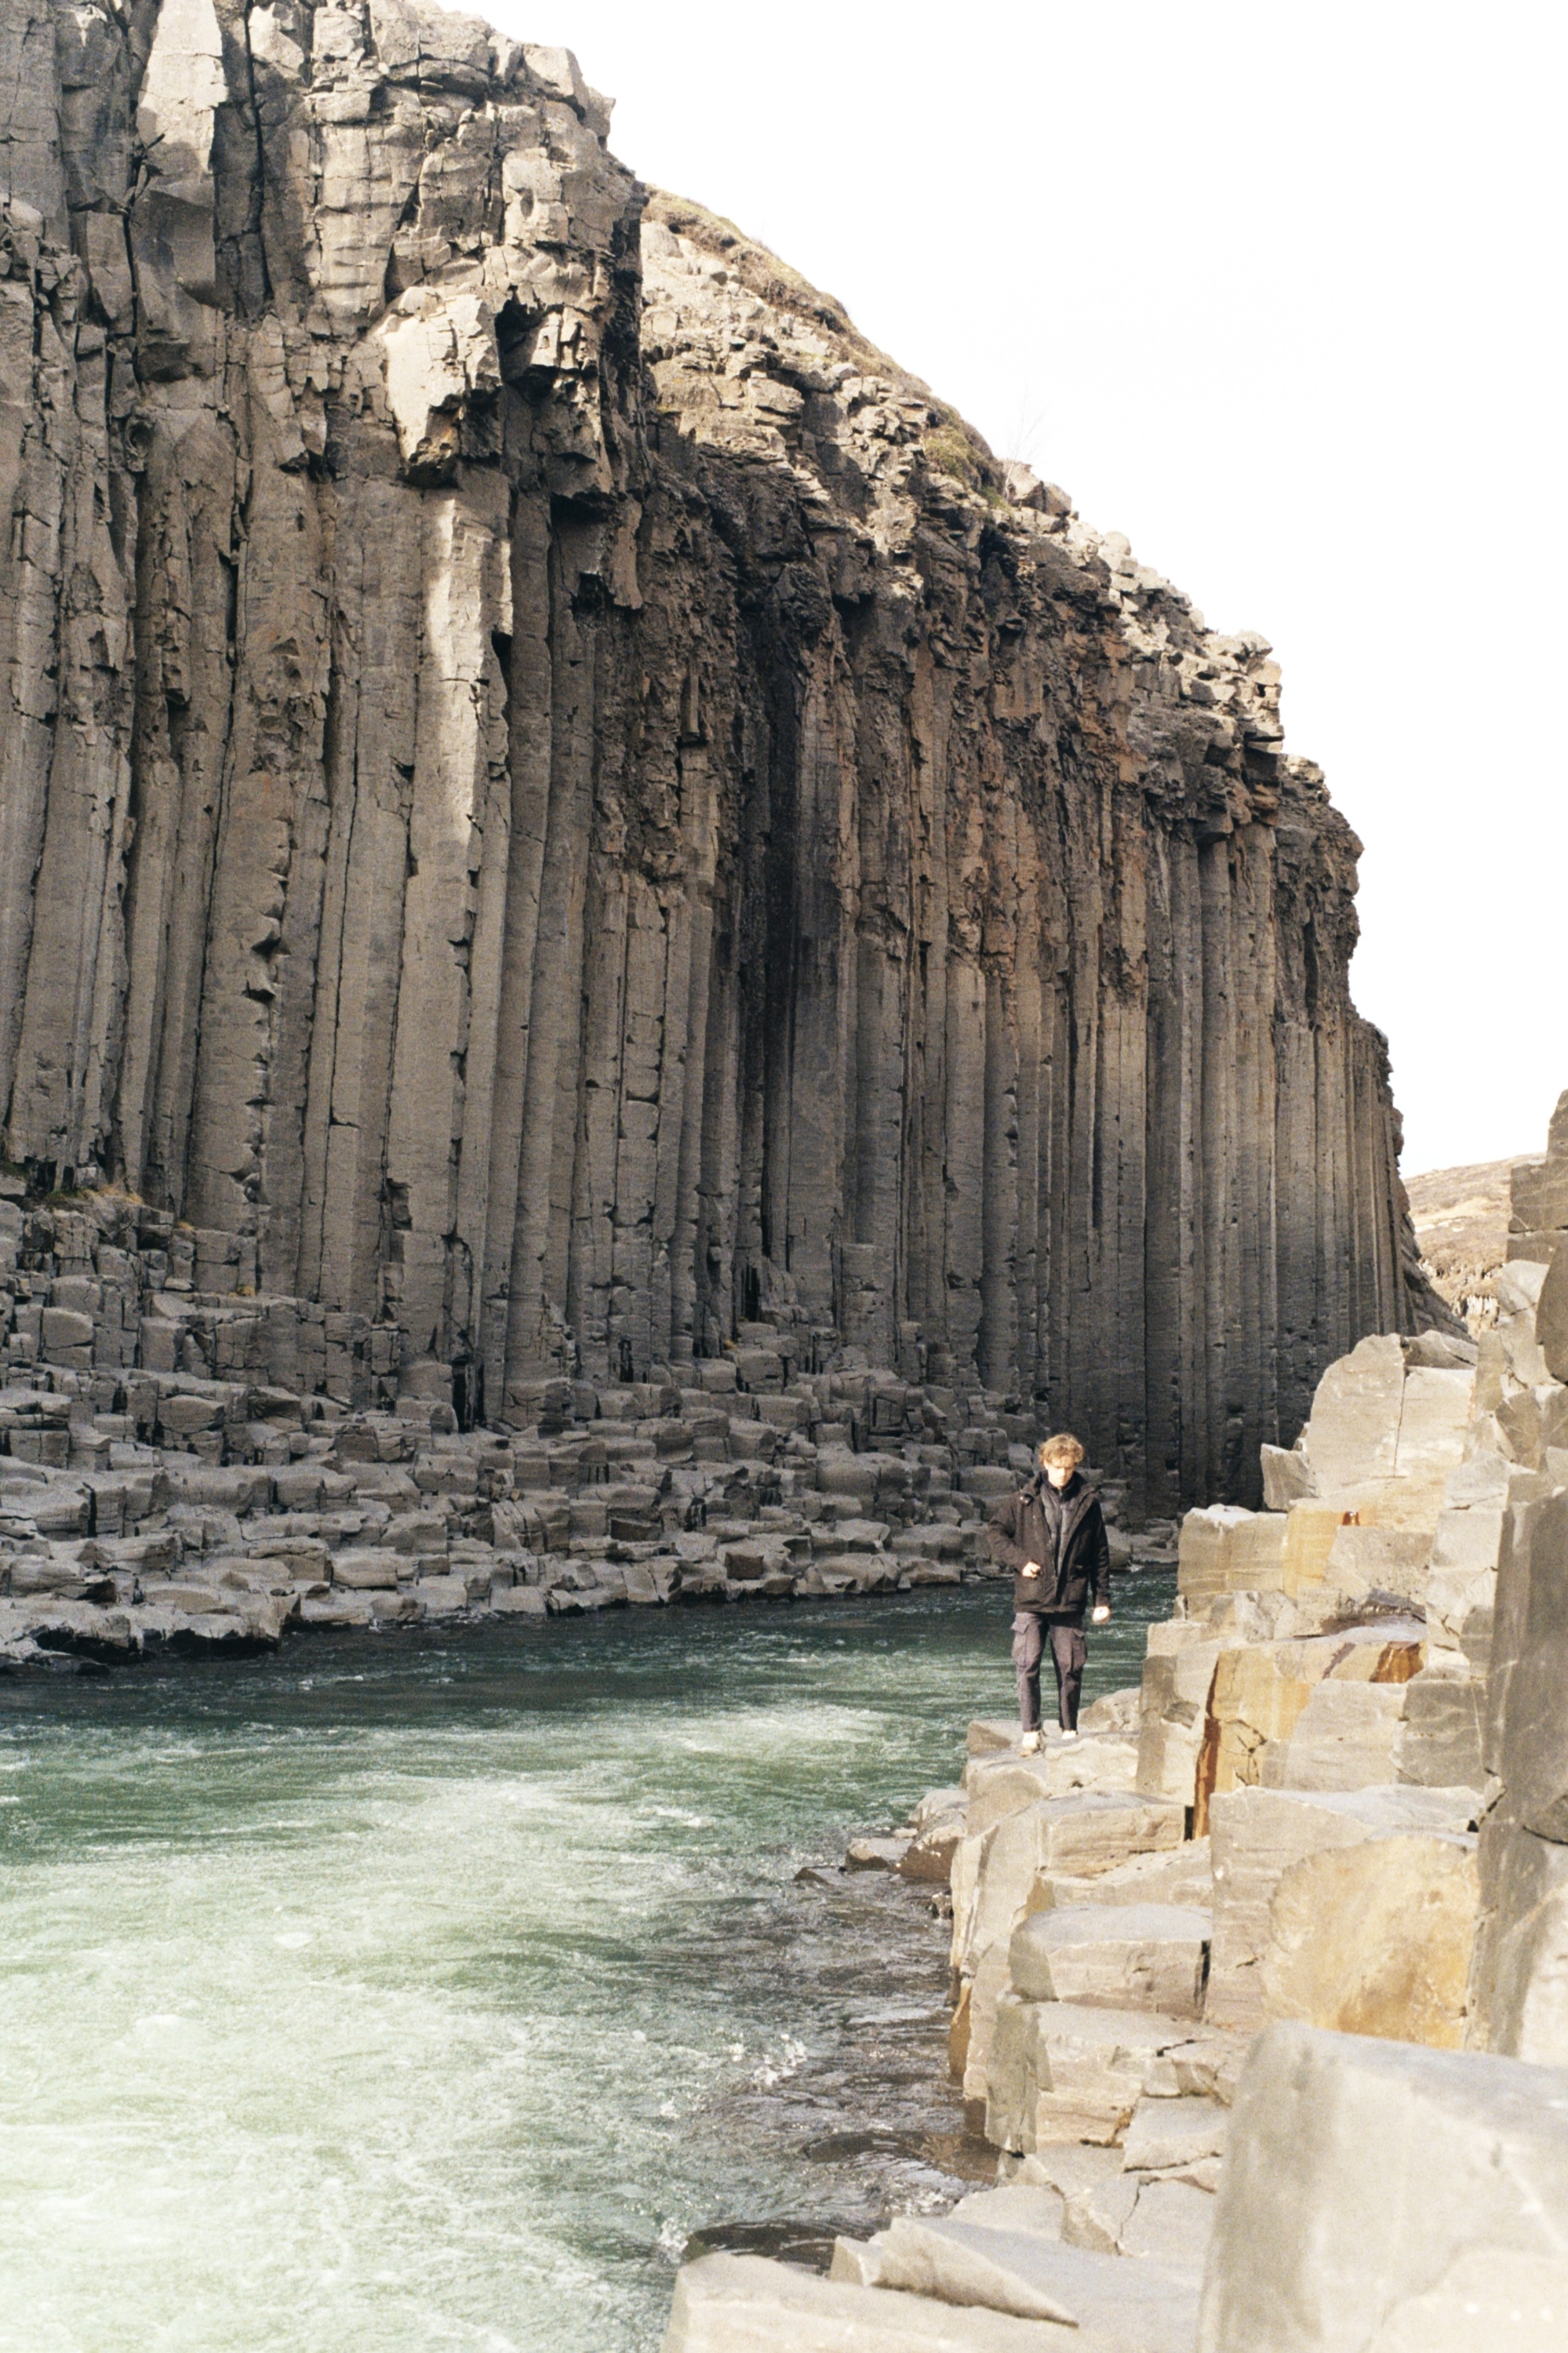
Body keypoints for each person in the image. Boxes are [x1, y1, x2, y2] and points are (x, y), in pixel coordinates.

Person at [988, 1432, 1111, 1753]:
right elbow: (995, 1532)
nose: (1063, 1474)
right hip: (1031, 1598)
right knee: (1027, 1665)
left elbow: (1100, 1553)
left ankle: (1069, 1730)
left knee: (1070, 1669)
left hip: (1070, 1601)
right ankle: (1032, 1732)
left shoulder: (1088, 1502)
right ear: (1044, 1464)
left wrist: (1102, 1600)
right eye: (1057, 1467)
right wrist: (1020, 1562)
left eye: (1069, 1468)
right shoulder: (1023, 1500)